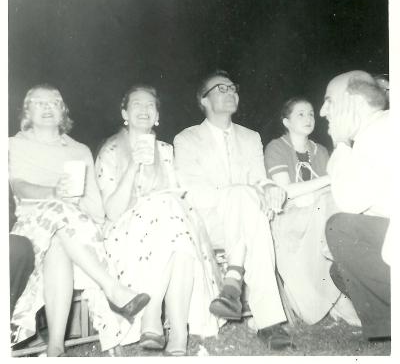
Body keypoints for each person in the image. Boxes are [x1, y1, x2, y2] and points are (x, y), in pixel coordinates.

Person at [9, 84, 150, 356]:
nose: (48, 107)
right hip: (32, 231)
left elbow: (96, 209)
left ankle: (56, 349)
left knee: (61, 240)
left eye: (54, 102)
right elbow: (20, 187)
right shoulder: (14, 145)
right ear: (27, 111)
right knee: (59, 216)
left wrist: (77, 203)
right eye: (39, 102)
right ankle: (112, 288)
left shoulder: (79, 150)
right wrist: (54, 193)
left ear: (63, 111)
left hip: (74, 230)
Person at [95, 84, 223, 356]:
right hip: (127, 237)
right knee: (171, 219)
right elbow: (112, 212)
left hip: (169, 229)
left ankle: (168, 327)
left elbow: (177, 194)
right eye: (137, 105)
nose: (144, 110)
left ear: (157, 117)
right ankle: (169, 325)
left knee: (177, 235)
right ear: (124, 113)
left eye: (150, 106)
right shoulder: (111, 150)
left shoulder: (165, 150)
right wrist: (134, 166)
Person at [174, 70, 294, 350]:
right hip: (209, 223)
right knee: (245, 204)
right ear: (203, 100)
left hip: (248, 219)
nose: (231, 93)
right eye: (222, 89)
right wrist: (239, 193)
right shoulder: (187, 139)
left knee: (252, 216)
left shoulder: (251, 137)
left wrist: (269, 188)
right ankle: (269, 321)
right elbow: (193, 192)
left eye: (233, 88)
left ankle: (233, 283)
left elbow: (259, 178)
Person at [264, 97, 359, 325]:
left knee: (329, 199)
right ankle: (335, 255)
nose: (308, 118)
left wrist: (322, 187)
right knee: (326, 199)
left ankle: (339, 295)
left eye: (311, 114)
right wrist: (328, 179)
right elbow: (287, 191)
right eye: (300, 114)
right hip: (288, 218)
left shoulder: (321, 150)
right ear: (286, 122)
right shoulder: (276, 147)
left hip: (319, 213)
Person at [320, 70, 390, 341]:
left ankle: (387, 327)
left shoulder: (378, 132)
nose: (323, 111)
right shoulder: (379, 127)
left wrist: (339, 143)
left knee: (340, 228)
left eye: (329, 101)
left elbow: (350, 202)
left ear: (355, 102)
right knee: (340, 271)